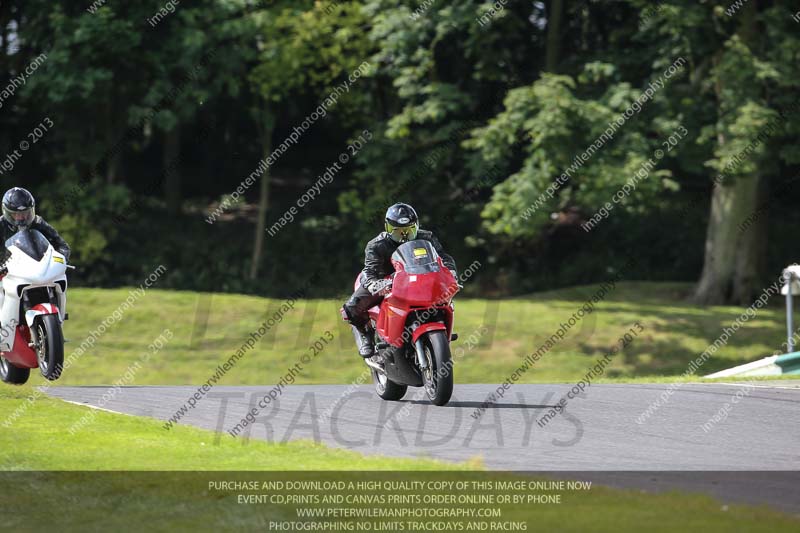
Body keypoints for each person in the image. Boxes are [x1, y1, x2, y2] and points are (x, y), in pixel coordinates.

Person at [342, 203, 457, 358]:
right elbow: (369, 271)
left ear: (416, 226)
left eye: (409, 231)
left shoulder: (427, 237)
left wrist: (450, 271)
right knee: (352, 307)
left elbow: (443, 257)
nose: (404, 236)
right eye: (397, 232)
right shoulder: (376, 245)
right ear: (388, 229)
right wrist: (374, 284)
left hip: (415, 280)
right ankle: (365, 333)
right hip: (384, 281)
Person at [0, 187, 71, 274]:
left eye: (26, 213)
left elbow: (62, 246)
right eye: (16, 214)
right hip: (8, 273)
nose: (22, 217)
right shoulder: (1, 225)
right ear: (8, 213)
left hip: (38, 271)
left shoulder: (38, 223)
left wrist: (60, 260)